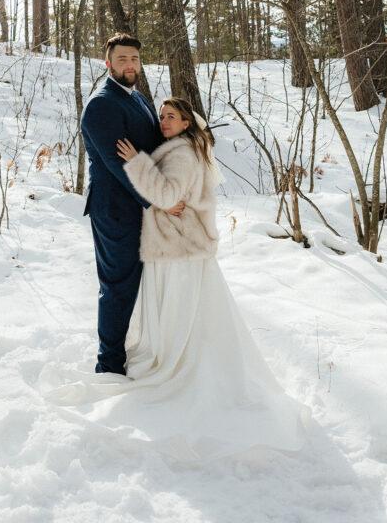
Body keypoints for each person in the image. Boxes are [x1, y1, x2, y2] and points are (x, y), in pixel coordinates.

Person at [45, 94, 310, 463]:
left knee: (182, 312)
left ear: (187, 123)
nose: (164, 122)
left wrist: (136, 163)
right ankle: (178, 357)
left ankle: (180, 367)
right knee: (189, 313)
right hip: (181, 246)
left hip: (180, 249)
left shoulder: (182, 154)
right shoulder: (183, 148)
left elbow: (167, 195)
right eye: (163, 116)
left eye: (171, 117)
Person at [80, 34, 184, 376]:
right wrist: (160, 201)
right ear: (107, 63)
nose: (130, 65)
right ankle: (108, 365)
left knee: (141, 284)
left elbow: (154, 145)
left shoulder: (136, 98)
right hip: (114, 210)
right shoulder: (101, 104)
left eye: (135, 59)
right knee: (117, 286)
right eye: (122, 59)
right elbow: (119, 164)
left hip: (143, 209)